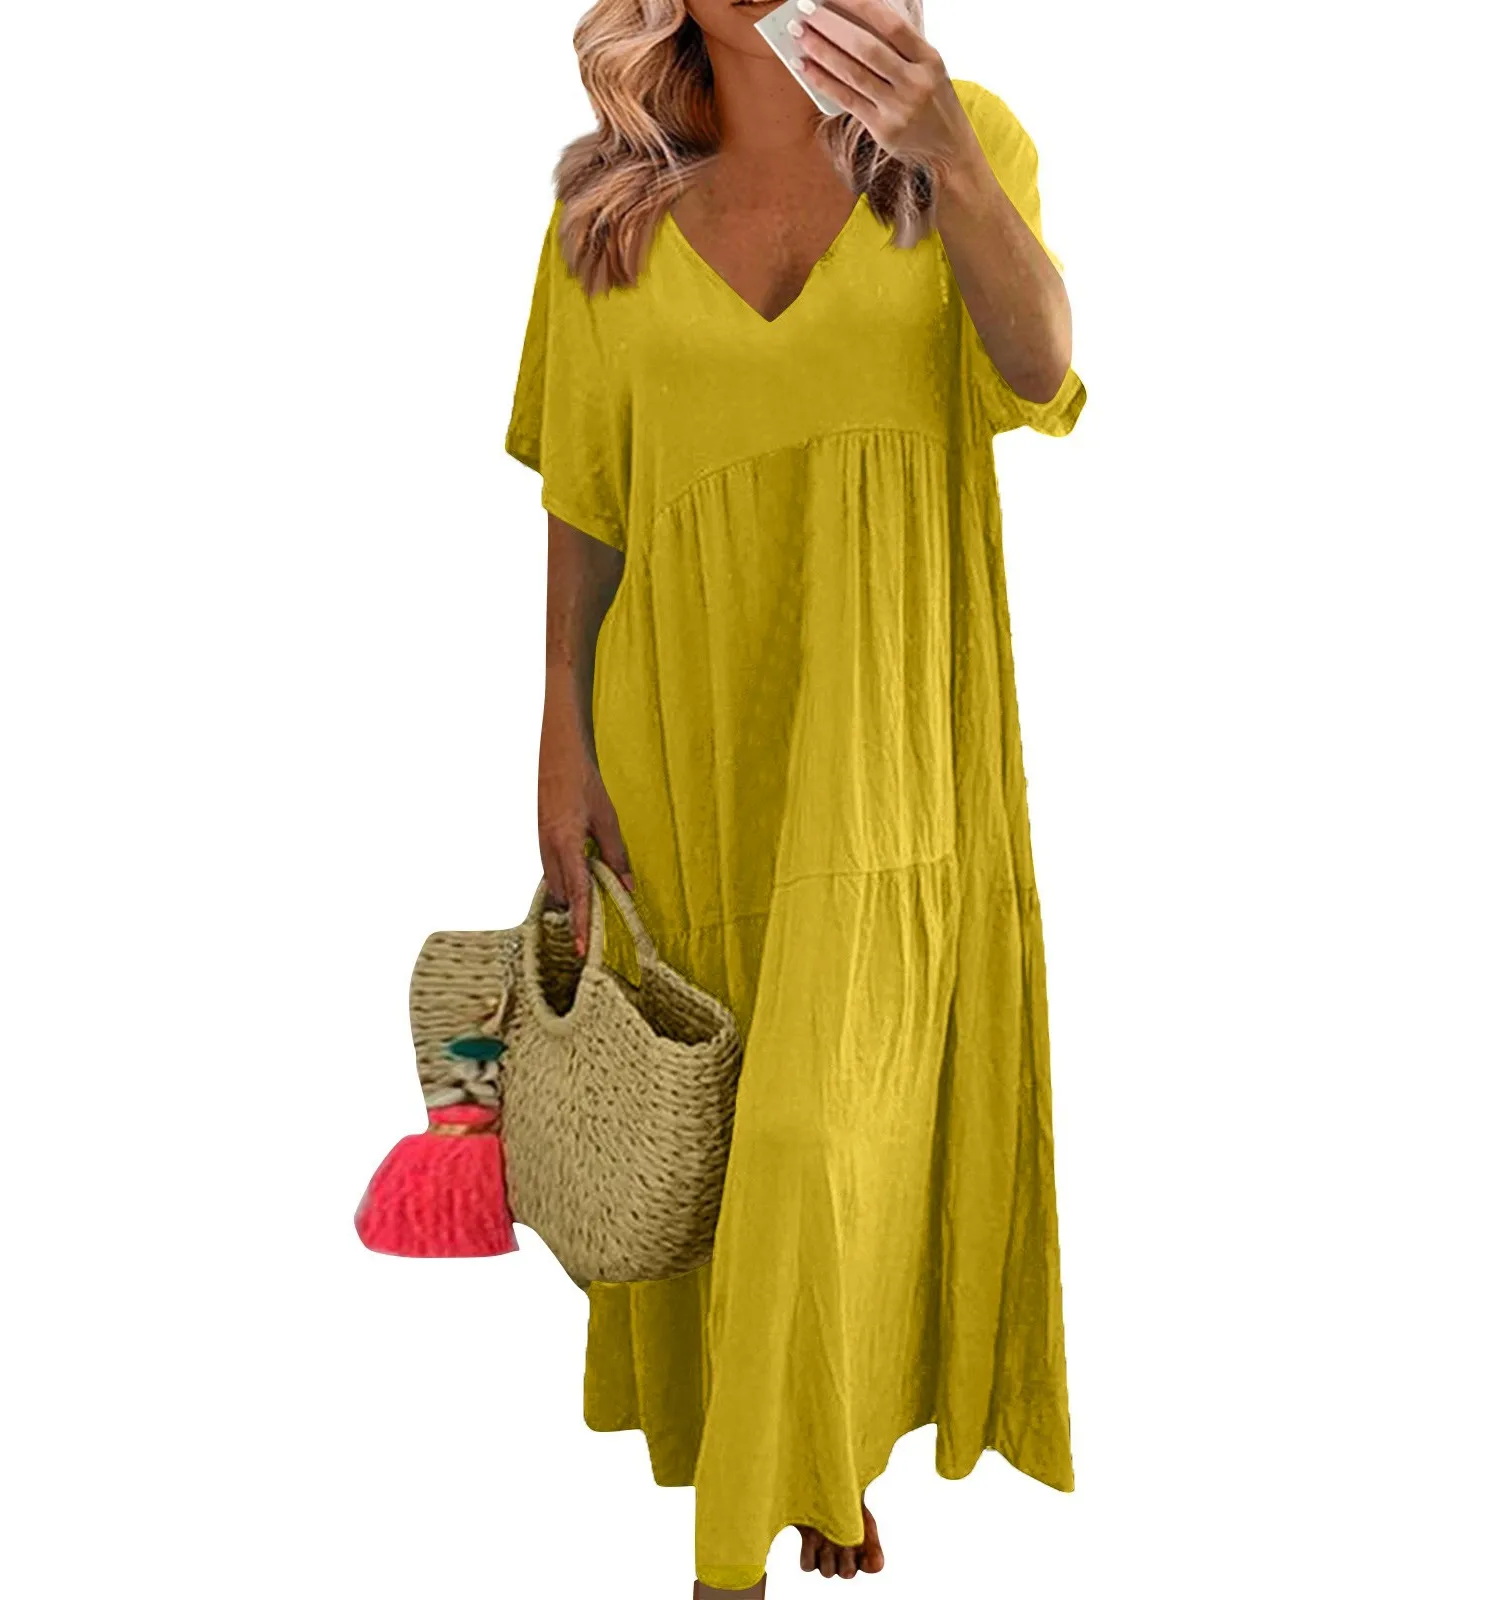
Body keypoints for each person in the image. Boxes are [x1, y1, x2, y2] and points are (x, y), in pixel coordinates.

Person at [508, 1, 1085, 1591]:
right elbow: (585, 497)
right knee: (729, 1143)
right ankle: (812, 1450)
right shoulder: (605, 211)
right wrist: (559, 726)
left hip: (883, 746)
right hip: (684, 743)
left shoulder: (957, 143)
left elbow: (1041, 369)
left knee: (814, 1132)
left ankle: (730, 1563)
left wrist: (946, 151)